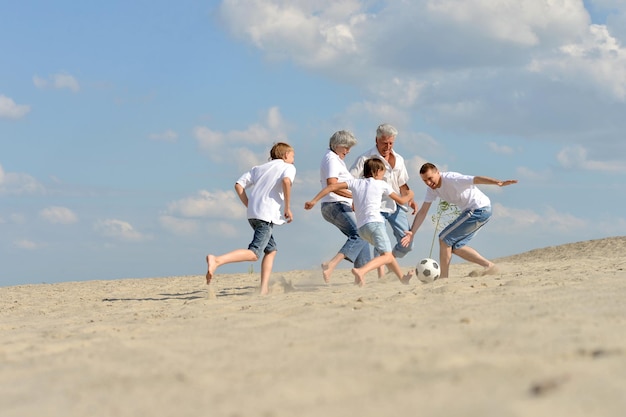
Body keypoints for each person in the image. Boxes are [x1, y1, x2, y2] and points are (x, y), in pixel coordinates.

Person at [306, 158, 414, 287]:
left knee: (386, 254)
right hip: (375, 224)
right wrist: (410, 195)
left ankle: (402, 279)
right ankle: (361, 271)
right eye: (383, 172)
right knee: (387, 255)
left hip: (362, 229)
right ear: (377, 171)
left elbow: (331, 187)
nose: (383, 176)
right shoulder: (381, 184)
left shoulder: (356, 182)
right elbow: (401, 201)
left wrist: (313, 201)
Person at [205, 142, 296, 295]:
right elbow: (286, 182)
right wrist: (287, 207)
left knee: (271, 250)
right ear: (285, 155)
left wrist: (249, 204)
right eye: (293, 156)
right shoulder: (288, 167)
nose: (294, 160)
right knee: (254, 253)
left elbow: (238, 185)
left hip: (253, 215)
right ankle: (217, 260)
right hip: (265, 215)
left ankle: (263, 289)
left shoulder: (258, 168)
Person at [401, 162, 517, 279]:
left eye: (430, 178)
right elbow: (423, 212)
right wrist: (412, 233)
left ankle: (443, 278)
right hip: (477, 211)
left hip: (478, 209)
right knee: (455, 247)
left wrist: (498, 182)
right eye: (425, 181)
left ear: (438, 172)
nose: (429, 183)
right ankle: (490, 266)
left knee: (444, 239)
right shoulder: (431, 190)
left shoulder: (452, 178)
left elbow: (475, 179)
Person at [349, 123, 415, 276]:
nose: (388, 146)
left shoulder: (399, 159)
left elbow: (402, 183)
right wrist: (354, 199)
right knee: (380, 242)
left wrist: (410, 200)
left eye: (391, 143)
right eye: (385, 143)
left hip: (396, 203)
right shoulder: (365, 158)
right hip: (375, 207)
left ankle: (388, 260)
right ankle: (381, 273)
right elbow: (350, 180)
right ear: (376, 140)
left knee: (407, 243)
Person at [317, 130, 372, 283]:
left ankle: (360, 278)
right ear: (336, 145)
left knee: (363, 237)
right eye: (346, 147)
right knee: (360, 234)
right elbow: (332, 185)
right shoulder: (332, 159)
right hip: (335, 204)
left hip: (336, 204)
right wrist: (353, 196)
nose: (348, 151)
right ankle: (331, 264)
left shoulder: (335, 159)